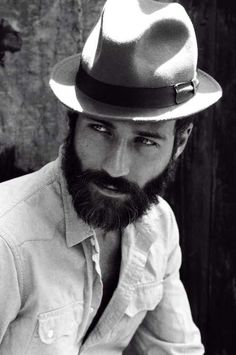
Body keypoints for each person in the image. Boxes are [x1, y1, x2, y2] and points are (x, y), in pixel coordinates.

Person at [0, 0, 222, 354]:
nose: (116, 167)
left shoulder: (159, 227)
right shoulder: (7, 241)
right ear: (72, 121)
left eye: (146, 141)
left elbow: (175, 349)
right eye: (101, 129)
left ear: (180, 143)